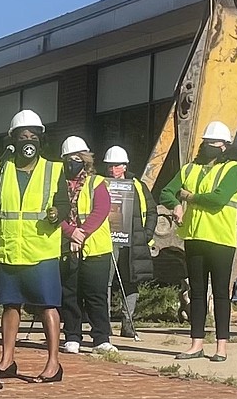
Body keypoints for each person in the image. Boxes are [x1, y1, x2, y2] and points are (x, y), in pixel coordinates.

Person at [0, 110, 69, 383]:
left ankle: (53, 364)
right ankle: (7, 360)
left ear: (40, 140)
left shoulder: (53, 168)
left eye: (33, 136)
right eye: (23, 136)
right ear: (12, 139)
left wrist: (57, 214)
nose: (28, 141)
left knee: (48, 306)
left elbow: (64, 205)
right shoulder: (0, 168)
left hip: (41, 250)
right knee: (10, 305)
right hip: (10, 248)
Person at [160, 121, 237, 362]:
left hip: (220, 239)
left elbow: (218, 200)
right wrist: (176, 203)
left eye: (215, 143)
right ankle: (196, 344)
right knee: (197, 293)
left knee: (220, 294)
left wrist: (188, 196)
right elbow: (167, 191)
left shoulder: (234, 169)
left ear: (225, 146)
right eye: (207, 142)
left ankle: (221, 347)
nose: (210, 146)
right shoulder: (189, 169)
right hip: (194, 237)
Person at [59, 136, 117, 355]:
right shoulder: (57, 184)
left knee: (95, 294)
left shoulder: (97, 182)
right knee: (70, 294)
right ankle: (72, 336)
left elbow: (101, 210)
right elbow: (53, 212)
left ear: (85, 160)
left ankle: (101, 337)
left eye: (75, 158)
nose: (71, 163)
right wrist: (70, 232)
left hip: (95, 249)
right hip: (67, 246)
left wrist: (81, 233)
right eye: (67, 159)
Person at [103, 145, 157, 338]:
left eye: (116, 165)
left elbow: (151, 211)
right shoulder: (100, 184)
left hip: (133, 243)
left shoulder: (138, 186)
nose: (112, 169)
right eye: (109, 165)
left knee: (130, 283)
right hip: (106, 242)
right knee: (104, 283)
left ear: (124, 166)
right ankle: (104, 326)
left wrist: (147, 234)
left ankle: (128, 324)